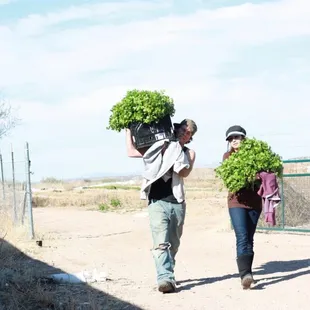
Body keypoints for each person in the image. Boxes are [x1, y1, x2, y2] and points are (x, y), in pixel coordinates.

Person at [126, 119, 197, 293]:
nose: (184, 133)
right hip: (157, 201)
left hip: (177, 202)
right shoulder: (158, 146)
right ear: (175, 128)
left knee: (174, 243)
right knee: (160, 242)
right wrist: (128, 130)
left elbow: (184, 172)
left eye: (188, 133)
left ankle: (168, 271)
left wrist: (176, 152)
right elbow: (132, 151)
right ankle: (164, 278)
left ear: (190, 138)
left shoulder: (189, 152)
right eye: (182, 129)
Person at [222, 125, 262, 290]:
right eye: (231, 139)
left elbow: (263, 176)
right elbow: (229, 179)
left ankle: (248, 273)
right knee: (242, 236)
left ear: (244, 139)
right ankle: (245, 275)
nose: (234, 141)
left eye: (237, 137)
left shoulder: (257, 156)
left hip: (254, 202)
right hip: (236, 202)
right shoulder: (227, 157)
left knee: (250, 238)